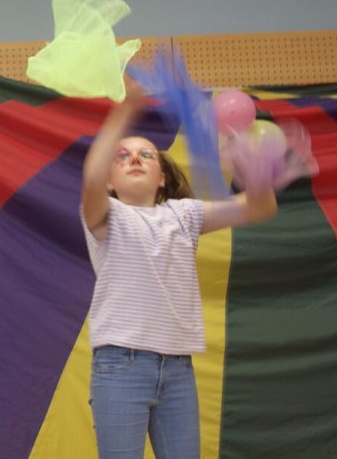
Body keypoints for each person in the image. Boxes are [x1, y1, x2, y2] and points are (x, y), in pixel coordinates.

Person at [81, 85, 292, 459]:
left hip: (177, 369)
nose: (135, 159)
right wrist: (124, 113)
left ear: (161, 177)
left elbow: (260, 208)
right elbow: (91, 179)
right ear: (111, 180)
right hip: (120, 366)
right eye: (123, 155)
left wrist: (255, 169)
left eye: (146, 154)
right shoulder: (106, 217)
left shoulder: (184, 214)